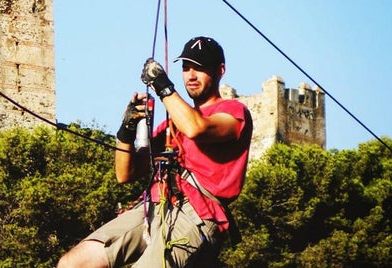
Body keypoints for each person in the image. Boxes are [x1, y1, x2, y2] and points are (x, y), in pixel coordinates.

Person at [57, 36, 253, 268]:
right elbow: (125, 174)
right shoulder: (172, 125)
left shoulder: (233, 112)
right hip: (154, 206)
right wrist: (127, 130)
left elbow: (196, 128)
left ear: (220, 70)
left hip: (197, 215)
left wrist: (162, 85)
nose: (191, 76)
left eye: (200, 69)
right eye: (186, 68)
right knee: (73, 263)